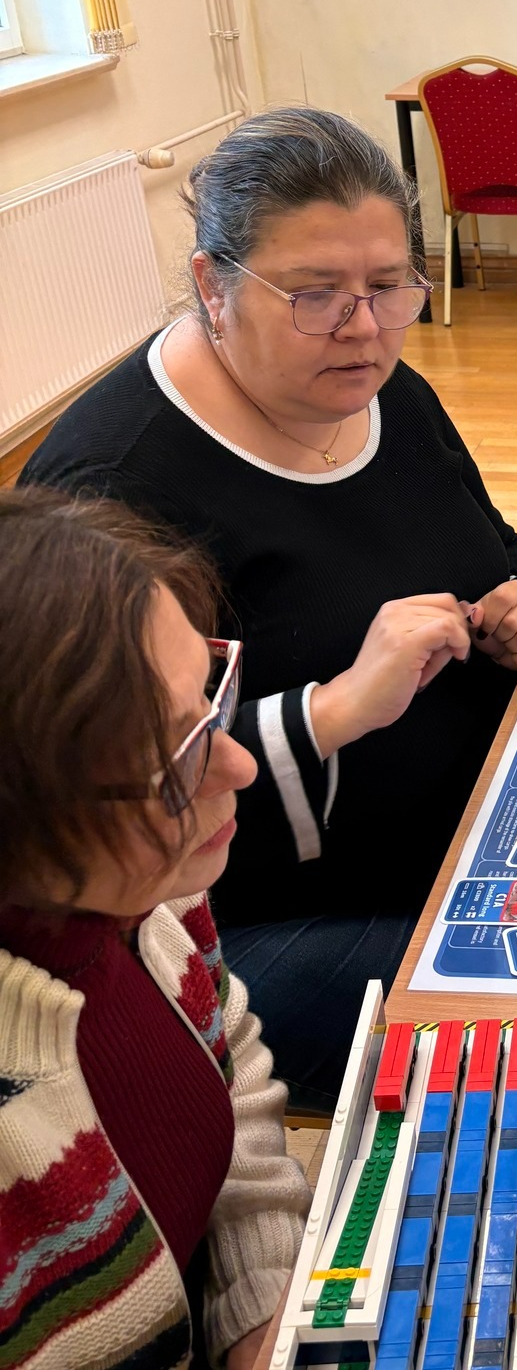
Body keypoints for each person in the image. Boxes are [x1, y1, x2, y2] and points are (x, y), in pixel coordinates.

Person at [22, 107, 517, 1108]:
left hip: (474, 824)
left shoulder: (386, 392)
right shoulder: (114, 491)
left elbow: (498, 551)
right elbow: (91, 818)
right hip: (263, 920)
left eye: (390, 286)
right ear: (211, 286)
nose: (364, 327)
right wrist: (337, 707)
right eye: (315, 295)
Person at [0, 488, 309, 1370]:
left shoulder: (152, 898)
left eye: (211, 702)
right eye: (171, 760)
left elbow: (228, 1060)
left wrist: (259, 1297)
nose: (238, 763)